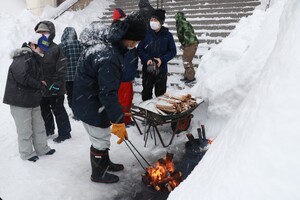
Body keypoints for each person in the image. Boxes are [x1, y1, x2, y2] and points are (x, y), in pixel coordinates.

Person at [72, 13, 147, 183]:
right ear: (126, 37)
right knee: (100, 139)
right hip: (90, 103)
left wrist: (115, 117)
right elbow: (108, 93)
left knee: (103, 136)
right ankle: (98, 174)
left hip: (89, 99)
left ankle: (105, 163)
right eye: (134, 41)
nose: (134, 45)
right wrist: (118, 121)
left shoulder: (110, 46)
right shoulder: (109, 56)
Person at [3, 33, 56, 162]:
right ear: (32, 45)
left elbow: (34, 75)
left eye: (44, 49)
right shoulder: (23, 57)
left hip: (33, 99)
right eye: (40, 48)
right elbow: (21, 76)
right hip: (20, 101)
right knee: (25, 130)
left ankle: (42, 148)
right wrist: (39, 84)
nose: (43, 51)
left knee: (39, 126)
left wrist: (42, 82)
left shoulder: (35, 58)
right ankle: (27, 154)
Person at [34, 21, 72, 143]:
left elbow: (62, 68)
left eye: (44, 32)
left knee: (58, 110)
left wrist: (56, 84)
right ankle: (48, 129)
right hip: (42, 87)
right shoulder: (36, 48)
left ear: (51, 33)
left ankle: (65, 133)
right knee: (44, 110)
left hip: (55, 86)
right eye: (39, 32)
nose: (42, 34)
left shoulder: (56, 48)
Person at [137, 9, 177, 101]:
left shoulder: (168, 35)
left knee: (161, 95)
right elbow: (140, 49)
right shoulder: (146, 34)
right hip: (148, 69)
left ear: (161, 22)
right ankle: (147, 112)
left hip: (161, 70)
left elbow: (172, 51)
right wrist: (146, 59)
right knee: (146, 94)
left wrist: (162, 59)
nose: (152, 22)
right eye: (151, 20)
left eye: (155, 20)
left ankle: (159, 113)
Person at [113, 8, 137, 127]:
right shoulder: (118, 34)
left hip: (126, 72)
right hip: (123, 73)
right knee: (123, 100)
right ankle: (123, 120)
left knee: (126, 99)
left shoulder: (123, 31)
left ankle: (125, 119)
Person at [59, 27, 83, 109]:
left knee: (70, 94)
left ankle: (74, 110)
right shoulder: (81, 44)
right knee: (80, 94)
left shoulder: (62, 46)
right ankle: (81, 110)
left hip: (67, 77)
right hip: (80, 75)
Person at [175, 11, 199, 83]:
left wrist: (183, 43)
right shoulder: (186, 22)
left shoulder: (180, 23)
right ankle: (187, 76)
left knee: (186, 60)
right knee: (187, 60)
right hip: (193, 43)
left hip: (189, 43)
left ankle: (190, 78)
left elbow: (181, 34)